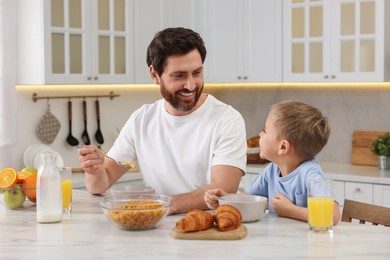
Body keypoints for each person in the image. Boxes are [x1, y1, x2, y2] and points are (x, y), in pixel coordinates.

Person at [78, 27, 247, 215]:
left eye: (197, 73)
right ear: (154, 75)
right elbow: (100, 184)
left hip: (208, 229)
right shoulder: (141, 120)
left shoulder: (227, 120)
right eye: (179, 75)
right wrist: (95, 171)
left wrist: (163, 205)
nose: (191, 85)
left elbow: (224, 188)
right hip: (156, 228)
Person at [204, 100, 341, 225]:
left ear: (283, 147)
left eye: (265, 130)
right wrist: (225, 199)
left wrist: (289, 209)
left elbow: (332, 216)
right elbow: (251, 199)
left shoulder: (310, 173)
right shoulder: (272, 170)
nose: (261, 134)